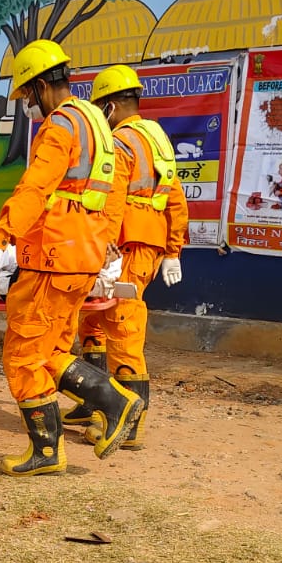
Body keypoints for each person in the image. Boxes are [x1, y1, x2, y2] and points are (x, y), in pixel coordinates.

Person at [0, 40, 140, 476]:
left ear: (40, 86)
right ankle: (69, 435)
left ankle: (99, 411)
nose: (28, 106)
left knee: (23, 354)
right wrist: (103, 247)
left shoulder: (60, 126)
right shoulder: (96, 122)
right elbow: (111, 195)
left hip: (51, 259)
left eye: (27, 96)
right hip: (81, 257)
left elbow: (34, 188)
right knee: (49, 351)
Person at [69, 65, 189, 450]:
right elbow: (176, 200)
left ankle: (129, 422)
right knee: (94, 320)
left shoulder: (120, 143)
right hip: (143, 244)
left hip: (125, 246)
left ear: (110, 106)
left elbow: (113, 199)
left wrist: (102, 242)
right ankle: (94, 403)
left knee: (123, 327)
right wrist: (172, 250)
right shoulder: (156, 139)